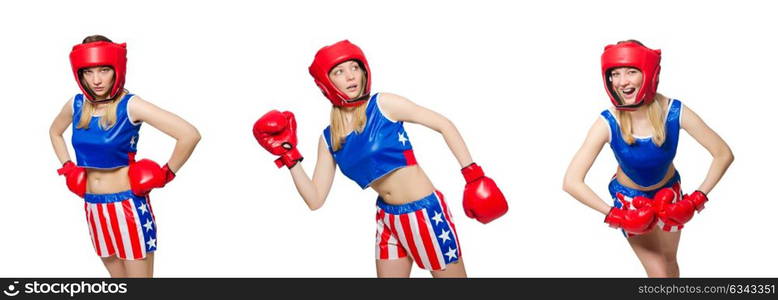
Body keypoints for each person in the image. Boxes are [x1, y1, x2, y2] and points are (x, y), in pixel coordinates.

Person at [253, 40, 508, 277]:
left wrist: (473, 175)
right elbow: (315, 199)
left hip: (425, 213)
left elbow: (443, 124)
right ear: (326, 82)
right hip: (387, 218)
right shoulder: (329, 138)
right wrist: (290, 156)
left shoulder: (384, 105)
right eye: (339, 71)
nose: (351, 75)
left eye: (355, 67)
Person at [563, 40, 734, 277]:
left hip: (670, 195)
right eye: (616, 73)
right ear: (608, 79)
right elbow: (571, 181)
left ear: (649, 75)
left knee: (670, 263)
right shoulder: (607, 122)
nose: (622, 81)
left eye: (631, 71)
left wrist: (696, 199)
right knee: (658, 273)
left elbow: (722, 153)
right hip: (631, 202)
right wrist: (615, 214)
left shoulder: (673, 111)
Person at [49, 35, 201, 277]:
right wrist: (68, 167)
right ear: (80, 74)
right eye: (89, 72)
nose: (96, 80)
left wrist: (166, 174)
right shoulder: (76, 105)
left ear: (116, 70)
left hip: (127, 206)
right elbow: (55, 132)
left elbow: (189, 134)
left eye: (104, 70)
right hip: (93, 207)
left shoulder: (130, 105)